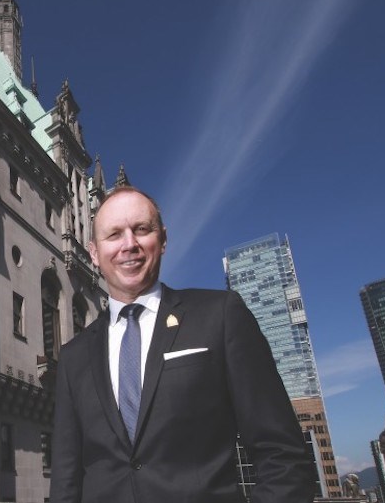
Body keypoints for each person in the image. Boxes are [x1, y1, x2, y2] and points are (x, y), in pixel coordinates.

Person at [50, 186, 315, 503]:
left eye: (141, 229)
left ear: (162, 239)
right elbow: (66, 480)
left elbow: (282, 455)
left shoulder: (219, 315)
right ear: (94, 253)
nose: (129, 244)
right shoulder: (73, 356)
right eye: (114, 235)